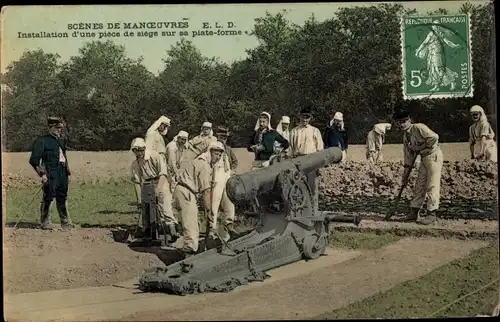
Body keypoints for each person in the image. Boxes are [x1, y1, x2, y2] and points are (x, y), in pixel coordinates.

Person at [172, 141, 226, 255]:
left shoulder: (202, 162)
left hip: (184, 190)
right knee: (191, 223)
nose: (218, 157)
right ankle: (189, 252)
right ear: (210, 152)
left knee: (193, 222)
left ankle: (191, 248)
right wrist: (209, 211)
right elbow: (206, 191)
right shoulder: (204, 165)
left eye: (220, 154)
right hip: (186, 191)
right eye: (216, 154)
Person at [393, 109, 443, 225]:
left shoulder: (419, 127)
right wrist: (405, 176)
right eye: (399, 122)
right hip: (424, 158)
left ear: (409, 120)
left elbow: (434, 137)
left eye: (404, 121)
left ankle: (431, 213)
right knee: (419, 185)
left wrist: (421, 147)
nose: (402, 124)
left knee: (432, 184)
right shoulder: (406, 137)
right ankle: (414, 212)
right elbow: (408, 159)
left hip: (433, 156)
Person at [29, 117, 73, 231]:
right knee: (48, 197)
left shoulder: (62, 140)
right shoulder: (42, 140)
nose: (60, 131)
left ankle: (65, 222)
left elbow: (63, 156)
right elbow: (34, 160)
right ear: (50, 127)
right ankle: (45, 222)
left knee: (62, 196)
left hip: (62, 172)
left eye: (61, 128)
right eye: (58, 128)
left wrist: (67, 173)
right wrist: (42, 174)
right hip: (50, 172)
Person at [130, 137, 179, 234]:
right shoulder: (135, 163)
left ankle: (173, 231)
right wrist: (139, 199)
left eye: (141, 150)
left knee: (165, 208)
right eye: (136, 151)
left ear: (144, 148)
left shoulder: (155, 156)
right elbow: (137, 182)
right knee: (148, 209)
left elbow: (163, 174)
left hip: (161, 181)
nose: (139, 153)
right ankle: (152, 230)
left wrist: (159, 190)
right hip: (147, 184)